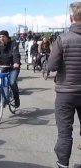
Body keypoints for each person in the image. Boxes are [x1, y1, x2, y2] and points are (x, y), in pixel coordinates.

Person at [47, 2, 81, 167]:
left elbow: (52, 66)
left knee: (65, 133)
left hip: (66, 93)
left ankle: (63, 164)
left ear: (71, 17)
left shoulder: (62, 39)